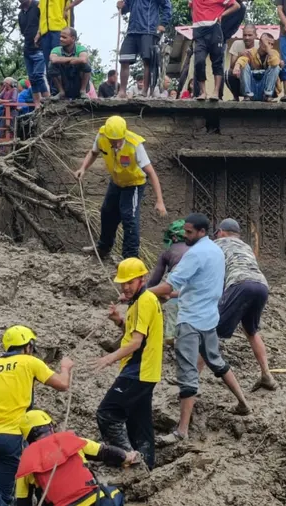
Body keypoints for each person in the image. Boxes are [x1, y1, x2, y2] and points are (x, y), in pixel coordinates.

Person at [149, 214, 250, 447]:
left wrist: (142, 293)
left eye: (189, 232)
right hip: (209, 318)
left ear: (203, 231)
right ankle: (243, 402)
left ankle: (182, 430)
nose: (185, 236)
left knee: (187, 372)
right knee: (215, 361)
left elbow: (168, 284)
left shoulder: (193, 255)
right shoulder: (215, 251)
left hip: (190, 321)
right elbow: (198, 286)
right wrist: (169, 295)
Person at [0, 326, 74, 506]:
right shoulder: (30, 362)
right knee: (7, 494)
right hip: (11, 436)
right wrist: (65, 367)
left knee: (10, 477)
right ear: (28, 346)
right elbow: (63, 385)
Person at [95, 258, 163, 470]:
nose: (125, 287)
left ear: (141, 279)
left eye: (130, 282)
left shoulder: (145, 300)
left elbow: (135, 343)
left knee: (107, 413)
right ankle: (145, 464)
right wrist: (118, 320)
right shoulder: (139, 302)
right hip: (144, 370)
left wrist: (109, 357)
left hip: (138, 370)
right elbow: (133, 332)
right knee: (139, 422)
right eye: (122, 283)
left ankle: (126, 457)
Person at [74, 116, 167, 260]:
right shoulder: (102, 136)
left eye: (118, 140)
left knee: (129, 217)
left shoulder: (134, 144)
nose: (116, 144)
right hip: (116, 182)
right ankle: (103, 248)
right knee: (107, 212)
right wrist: (83, 168)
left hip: (134, 184)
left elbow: (151, 173)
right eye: (112, 140)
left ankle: (130, 257)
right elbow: (93, 153)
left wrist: (159, 201)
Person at [15, 410, 141, 506]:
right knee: (114, 493)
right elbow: (105, 452)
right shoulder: (71, 440)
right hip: (95, 501)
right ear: (50, 426)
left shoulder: (26, 463)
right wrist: (127, 457)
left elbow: (22, 501)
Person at [213, 219, 278, 392]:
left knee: (210, 332)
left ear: (221, 232)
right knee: (251, 331)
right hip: (261, 285)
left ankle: (192, 380)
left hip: (240, 284)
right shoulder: (246, 246)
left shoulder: (217, 244)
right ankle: (266, 374)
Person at [116, 0, 172, 98]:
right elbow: (126, 8)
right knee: (124, 60)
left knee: (147, 61)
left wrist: (163, 23)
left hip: (148, 30)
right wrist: (121, 7)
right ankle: (122, 92)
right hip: (132, 31)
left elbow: (167, 6)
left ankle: (144, 92)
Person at [148, 219, 190, 345]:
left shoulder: (168, 251)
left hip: (176, 277)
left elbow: (156, 278)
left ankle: (171, 335)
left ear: (173, 237)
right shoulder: (194, 248)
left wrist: (145, 291)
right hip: (193, 278)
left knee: (172, 306)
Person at [189, 0, 240, 100]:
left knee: (217, 62)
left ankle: (216, 92)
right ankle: (203, 92)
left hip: (214, 30)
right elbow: (191, 7)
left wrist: (221, 15)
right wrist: (195, 21)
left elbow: (236, 6)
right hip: (199, 32)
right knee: (199, 61)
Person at [40, 0, 84, 94]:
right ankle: (55, 92)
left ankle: (69, 92)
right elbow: (42, 12)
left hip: (59, 28)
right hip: (45, 31)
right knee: (49, 64)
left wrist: (68, 7)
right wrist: (38, 32)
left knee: (62, 62)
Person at [232, 33, 284, 101]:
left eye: (272, 44)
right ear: (260, 43)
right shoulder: (252, 52)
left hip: (265, 91)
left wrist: (268, 48)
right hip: (252, 90)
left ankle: (268, 95)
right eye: (268, 43)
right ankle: (247, 95)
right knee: (243, 65)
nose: (270, 46)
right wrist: (237, 66)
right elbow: (243, 59)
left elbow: (274, 64)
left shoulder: (273, 53)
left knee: (276, 66)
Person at [19, 0, 51, 108]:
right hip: (27, 48)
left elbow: (45, 22)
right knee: (32, 78)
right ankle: (37, 105)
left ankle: (48, 103)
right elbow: (23, 31)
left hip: (40, 47)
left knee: (39, 76)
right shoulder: (21, 13)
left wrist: (39, 34)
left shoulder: (38, 6)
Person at [49, 28, 93, 100]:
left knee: (86, 64)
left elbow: (84, 59)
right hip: (65, 83)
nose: (61, 39)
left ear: (73, 38)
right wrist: (72, 59)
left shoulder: (81, 48)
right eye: (60, 36)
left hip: (77, 83)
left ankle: (82, 91)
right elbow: (53, 59)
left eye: (64, 37)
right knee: (51, 65)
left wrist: (62, 60)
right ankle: (61, 92)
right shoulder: (56, 49)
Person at [227, 26, 259, 100]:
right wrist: (239, 55)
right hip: (239, 75)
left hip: (255, 75)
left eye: (250, 35)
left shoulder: (260, 44)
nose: (247, 37)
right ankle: (236, 97)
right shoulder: (236, 44)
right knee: (228, 73)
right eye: (244, 35)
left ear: (255, 36)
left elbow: (263, 66)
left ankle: (255, 96)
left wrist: (251, 59)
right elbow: (231, 67)